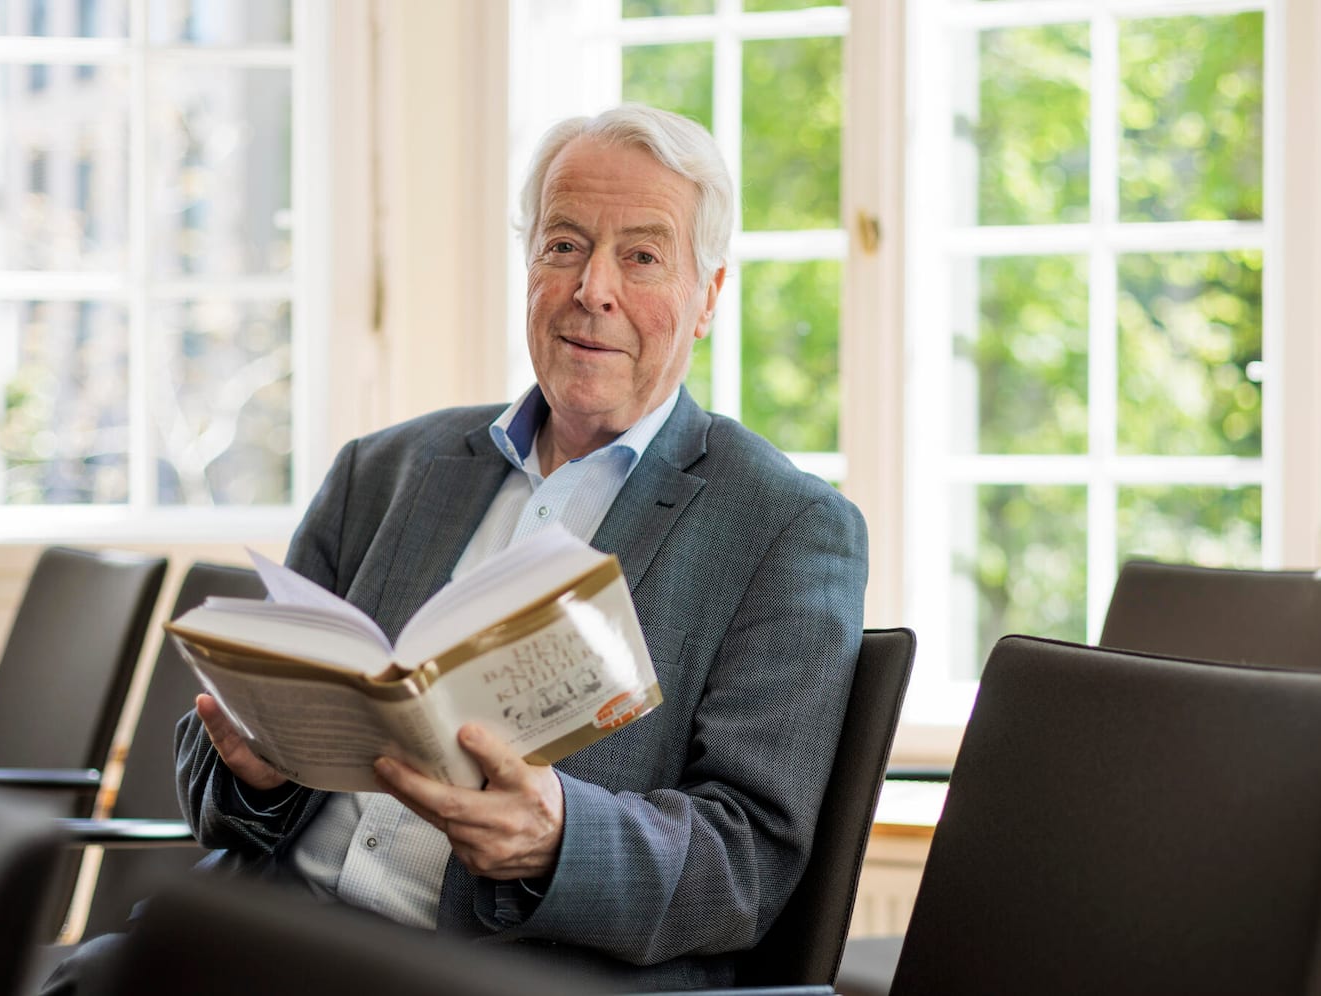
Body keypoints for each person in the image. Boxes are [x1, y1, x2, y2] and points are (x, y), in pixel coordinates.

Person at [109, 105, 865, 992]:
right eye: (564, 245)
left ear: (708, 297)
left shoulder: (784, 529)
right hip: (253, 938)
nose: (594, 289)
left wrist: (557, 838)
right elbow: (210, 779)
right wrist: (257, 767)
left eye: (644, 256)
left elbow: (749, 862)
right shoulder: (381, 471)